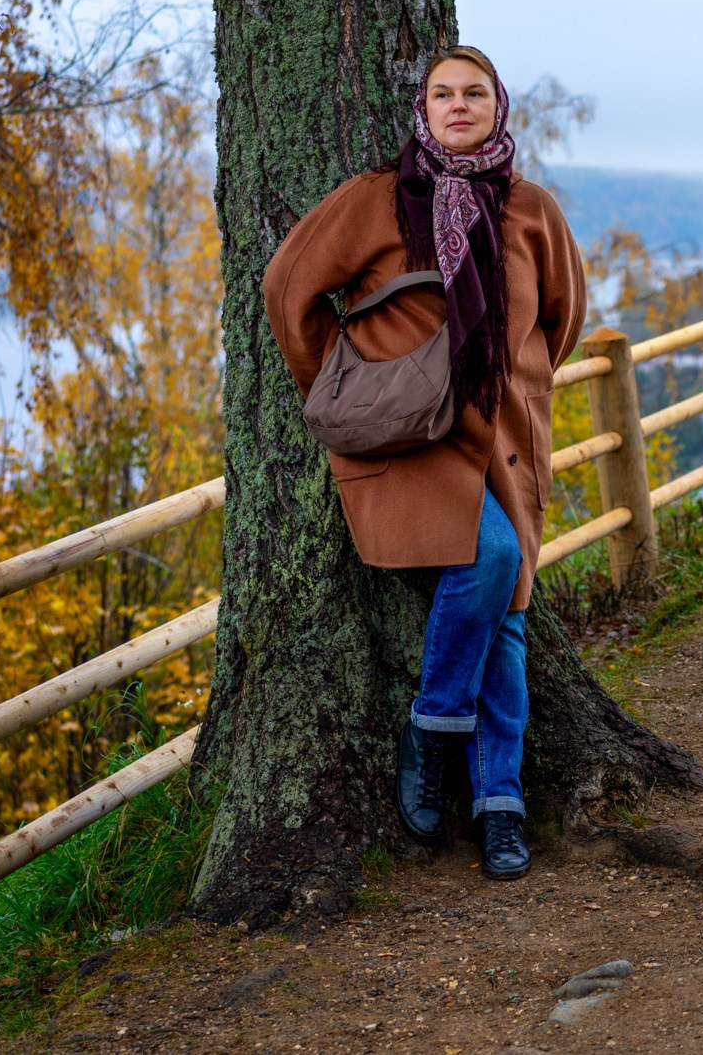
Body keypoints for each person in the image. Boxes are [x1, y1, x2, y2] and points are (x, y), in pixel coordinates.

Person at [262, 46, 584, 880]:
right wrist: (346, 383)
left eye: (475, 92)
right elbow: (287, 288)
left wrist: (515, 382)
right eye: (444, 93)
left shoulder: (532, 210)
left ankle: (499, 805)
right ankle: (434, 728)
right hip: (408, 442)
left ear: (498, 105)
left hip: (499, 440)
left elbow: (563, 317)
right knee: (496, 558)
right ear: (424, 108)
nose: (459, 105)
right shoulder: (377, 198)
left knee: (507, 613)